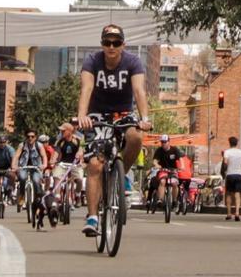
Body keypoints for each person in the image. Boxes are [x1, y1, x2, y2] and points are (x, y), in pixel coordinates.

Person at [76, 23, 152, 237]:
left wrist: (145, 118)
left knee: (136, 137)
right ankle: (92, 217)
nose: (111, 47)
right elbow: (86, 88)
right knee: (95, 165)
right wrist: (82, 115)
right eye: (107, 43)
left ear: (123, 45)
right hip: (97, 116)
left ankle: (120, 176)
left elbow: (139, 90)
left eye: (116, 43)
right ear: (102, 44)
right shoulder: (92, 61)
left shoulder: (133, 62)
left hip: (123, 114)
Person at [149, 134, 181, 207]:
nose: (163, 144)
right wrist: (157, 165)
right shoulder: (159, 150)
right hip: (163, 170)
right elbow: (155, 161)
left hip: (173, 170)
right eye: (162, 142)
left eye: (165, 142)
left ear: (169, 142)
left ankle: (174, 200)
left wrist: (180, 167)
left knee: (174, 183)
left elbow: (180, 160)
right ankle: (160, 199)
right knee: (162, 182)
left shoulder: (174, 150)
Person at [220, 136, 241, 220]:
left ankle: (229, 213)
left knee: (228, 194)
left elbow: (225, 163)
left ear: (229, 143)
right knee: (237, 194)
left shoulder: (227, 152)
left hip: (230, 175)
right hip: (239, 174)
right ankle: (237, 213)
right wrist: (239, 164)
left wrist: (224, 171)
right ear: (237, 143)